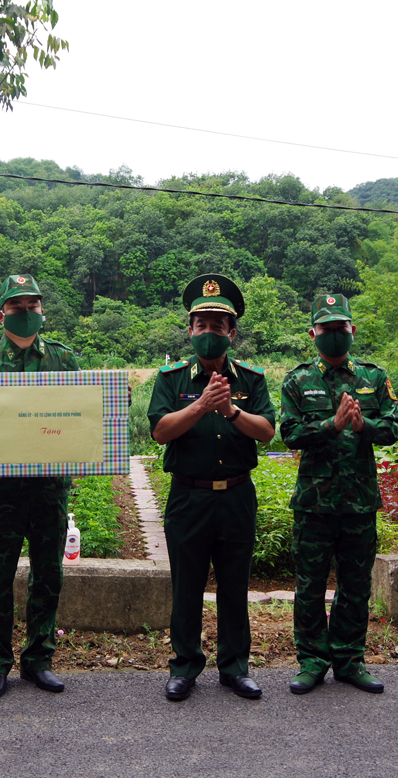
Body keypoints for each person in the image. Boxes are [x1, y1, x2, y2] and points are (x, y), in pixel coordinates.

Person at [147, 274, 275, 702]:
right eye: (200, 325)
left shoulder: (252, 380)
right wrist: (202, 405)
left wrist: (232, 411)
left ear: (231, 333)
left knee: (235, 586)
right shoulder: (172, 379)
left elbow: (268, 432)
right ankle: (184, 667)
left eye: (217, 326)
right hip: (189, 496)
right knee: (186, 585)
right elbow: (161, 432)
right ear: (190, 330)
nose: (208, 332)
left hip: (237, 495)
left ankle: (235, 667)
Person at [0, 274, 79, 700]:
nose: (26, 313)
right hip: (1, 492)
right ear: (0, 313)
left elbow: (83, 414)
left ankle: (39, 659)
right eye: (17, 306)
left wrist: (108, 407)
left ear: (42, 310)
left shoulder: (64, 360)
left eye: (33, 306)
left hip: (48, 491)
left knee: (48, 575)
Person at [280, 294, 398, 695]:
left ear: (352, 330)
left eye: (341, 328)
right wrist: (331, 426)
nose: (334, 335)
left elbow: (395, 426)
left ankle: (350, 660)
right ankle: (312, 661)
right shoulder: (298, 380)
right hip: (314, 506)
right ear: (313, 333)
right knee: (310, 585)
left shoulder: (373, 377)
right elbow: (290, 434)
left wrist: (362, 424)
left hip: (358, 503)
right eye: (326, 329)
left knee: (355, 586)